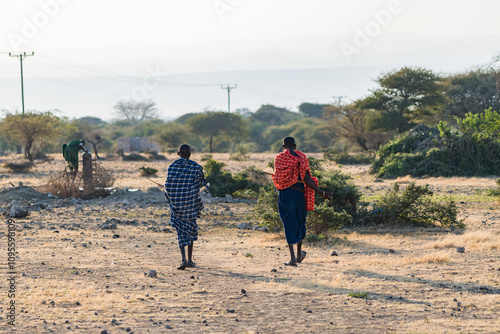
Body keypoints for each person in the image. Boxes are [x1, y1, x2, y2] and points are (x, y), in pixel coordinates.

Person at [272, 137, 331, 266]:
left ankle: (293, 258)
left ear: (283, 146)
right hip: (299, 193)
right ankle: (299, 255)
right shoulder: (302, 158)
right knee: (299, 221)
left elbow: (278, 177)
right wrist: (322, 193)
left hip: (286, 194)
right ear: (294, 145)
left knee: (288, 221)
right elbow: (307, 179)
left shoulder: (280, 158)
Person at [164, 144, 208, 270]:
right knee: (191, 230)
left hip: (177, 206)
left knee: (181, 232)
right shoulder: (197, 167)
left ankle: (183, 259)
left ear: (178, 154)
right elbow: (200, 184)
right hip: (190, 205)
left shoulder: (172, 167)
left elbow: (168, 186)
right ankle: (190, 260)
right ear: (190, 155)